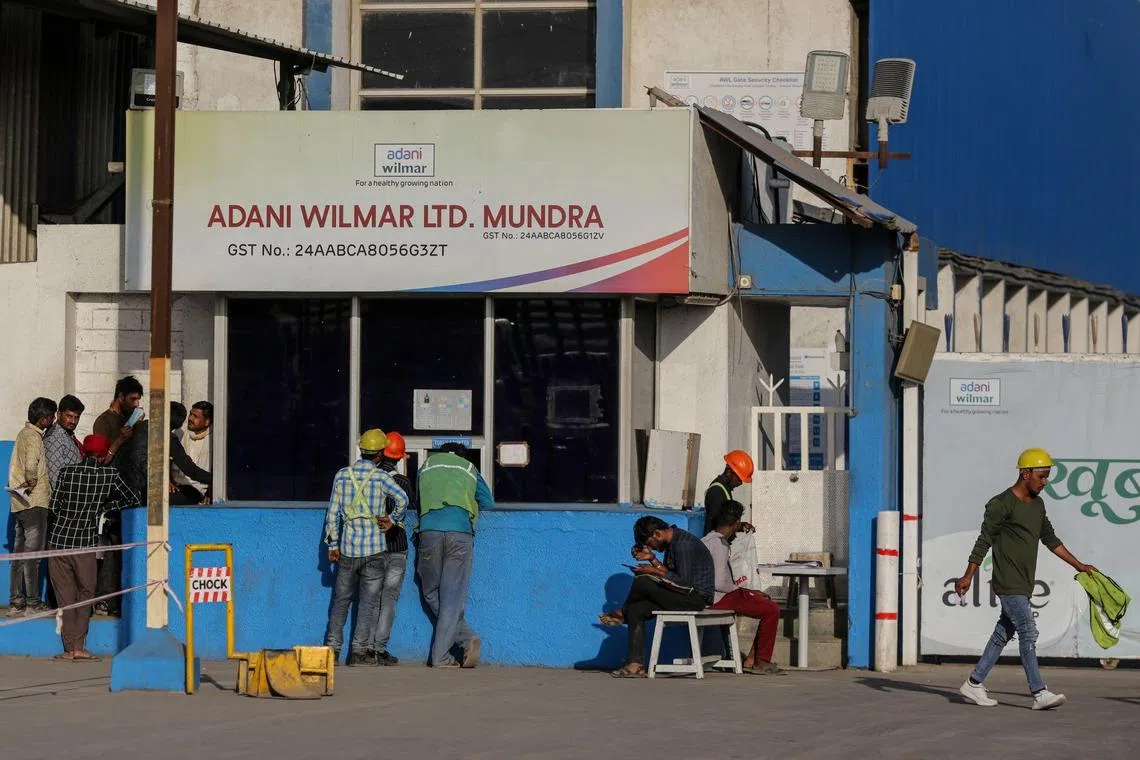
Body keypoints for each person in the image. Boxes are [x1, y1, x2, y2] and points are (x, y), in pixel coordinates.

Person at [955, 448, 1098, 711]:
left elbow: (1051, 540)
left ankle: (974, 683)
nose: (1045, 482)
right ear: (1025, 473)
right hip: (1007, 582)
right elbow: (984, 540)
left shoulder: (1039, 505)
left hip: (1024, 582)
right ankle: (1039, 692)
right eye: (1041, 477)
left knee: (1002, 633)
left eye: (1047, 477)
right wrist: (968, 575)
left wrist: (1079, 565)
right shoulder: (1001, 504)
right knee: (1028, 630)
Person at [46, 434, 139, 661]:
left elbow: (54, 506)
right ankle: (80, 645)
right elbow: (133, 498)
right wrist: (104, 508)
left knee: (65, 597)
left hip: (59, 542)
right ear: (103, 454)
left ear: (84, 452)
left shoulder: (66, 472)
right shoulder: (109, 475)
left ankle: (69, 649)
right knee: (86, 593)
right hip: (85, 543)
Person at [324, 429, 409, 666]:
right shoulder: (382, 478)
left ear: (362, 451)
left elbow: (332, 514)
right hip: (374, 549)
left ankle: (332, 650)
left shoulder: (342, 475)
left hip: (348, 548)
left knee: (341, 600)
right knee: (368, 603)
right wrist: (392, 520)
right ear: (380, 454)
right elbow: (403, 499)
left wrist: (333, 543)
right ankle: (359, 653)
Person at [600, 515, 715, 678]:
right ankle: (635, 665)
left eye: (649, 544)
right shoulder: (673, 542)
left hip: (695, 598)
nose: (651, 548)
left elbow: (684, 583)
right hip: (681, 595)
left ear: (656, 534)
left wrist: (652, 572)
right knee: (637, 608)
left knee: (643, 581)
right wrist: (652, 561)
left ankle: (622, 614)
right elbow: (671, 576)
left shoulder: (683, 544)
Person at [416, 442, 493, 668]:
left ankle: (464, 639)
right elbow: (488, 502)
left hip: (429, 530)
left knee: (430, 591)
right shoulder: (469, 468)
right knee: (452, 597)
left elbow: (418, 499)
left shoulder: (426, 466)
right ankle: (456, 644)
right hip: (460, 532)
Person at [702, 500, 782, 674]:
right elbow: (719, 583)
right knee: (771, 609)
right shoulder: (721, 545)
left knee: (762, 602)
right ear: (736, 523)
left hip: (707, 597)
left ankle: (752, 659)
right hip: (719, 598)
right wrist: (743, 591)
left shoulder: (706, 540)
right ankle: (761, 660)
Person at [7, 397, 57, 617]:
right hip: (34, 502)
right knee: (33, 556)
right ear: (44, 418)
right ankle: (33, 603)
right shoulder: (35, 437)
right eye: (52, 416)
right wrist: (31, 484)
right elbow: (31, 468)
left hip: (18, 504)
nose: (53, 419)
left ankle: (16, 602)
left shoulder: (21, 434)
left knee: (18, 556)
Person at [369, 431, 416, 665]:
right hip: (397, 546)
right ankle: (379, 649)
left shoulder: (370, 479)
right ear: (400, 458)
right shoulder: (404, 483)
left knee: (370, 597)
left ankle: (365, 648)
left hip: (373, 547)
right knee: (389, 599)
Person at [92, 376, 144, 465]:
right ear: (121, 397)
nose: (136, 404)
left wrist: (138, 424)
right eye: (132, 399)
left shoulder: (129, 418)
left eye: (138, 399)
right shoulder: (103, 421)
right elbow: (101, 461)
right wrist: (120, 439)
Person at [703, 450, 755, 536]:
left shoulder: (724, 489)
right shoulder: (717, 492)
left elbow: (724, 521)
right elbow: (716, 526)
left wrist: (741, 526)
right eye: (739, 479)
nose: (740, 483)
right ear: (728, 472)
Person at [172, 401, 212, 504]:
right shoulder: (179, 433)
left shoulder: (214, 441)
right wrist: (168, 481)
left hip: (197, 491)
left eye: (195, 416)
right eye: (190, 414)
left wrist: (211, 492)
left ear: (207, 422)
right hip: (175, 487)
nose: (190, 418)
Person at [43, 394, 85, 489]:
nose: (73, 421)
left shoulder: (67, 434)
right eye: (69, 416)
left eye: (77, 417)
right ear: (58, 414)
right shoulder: (54, 438)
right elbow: (55, 478)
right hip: (66, 499)